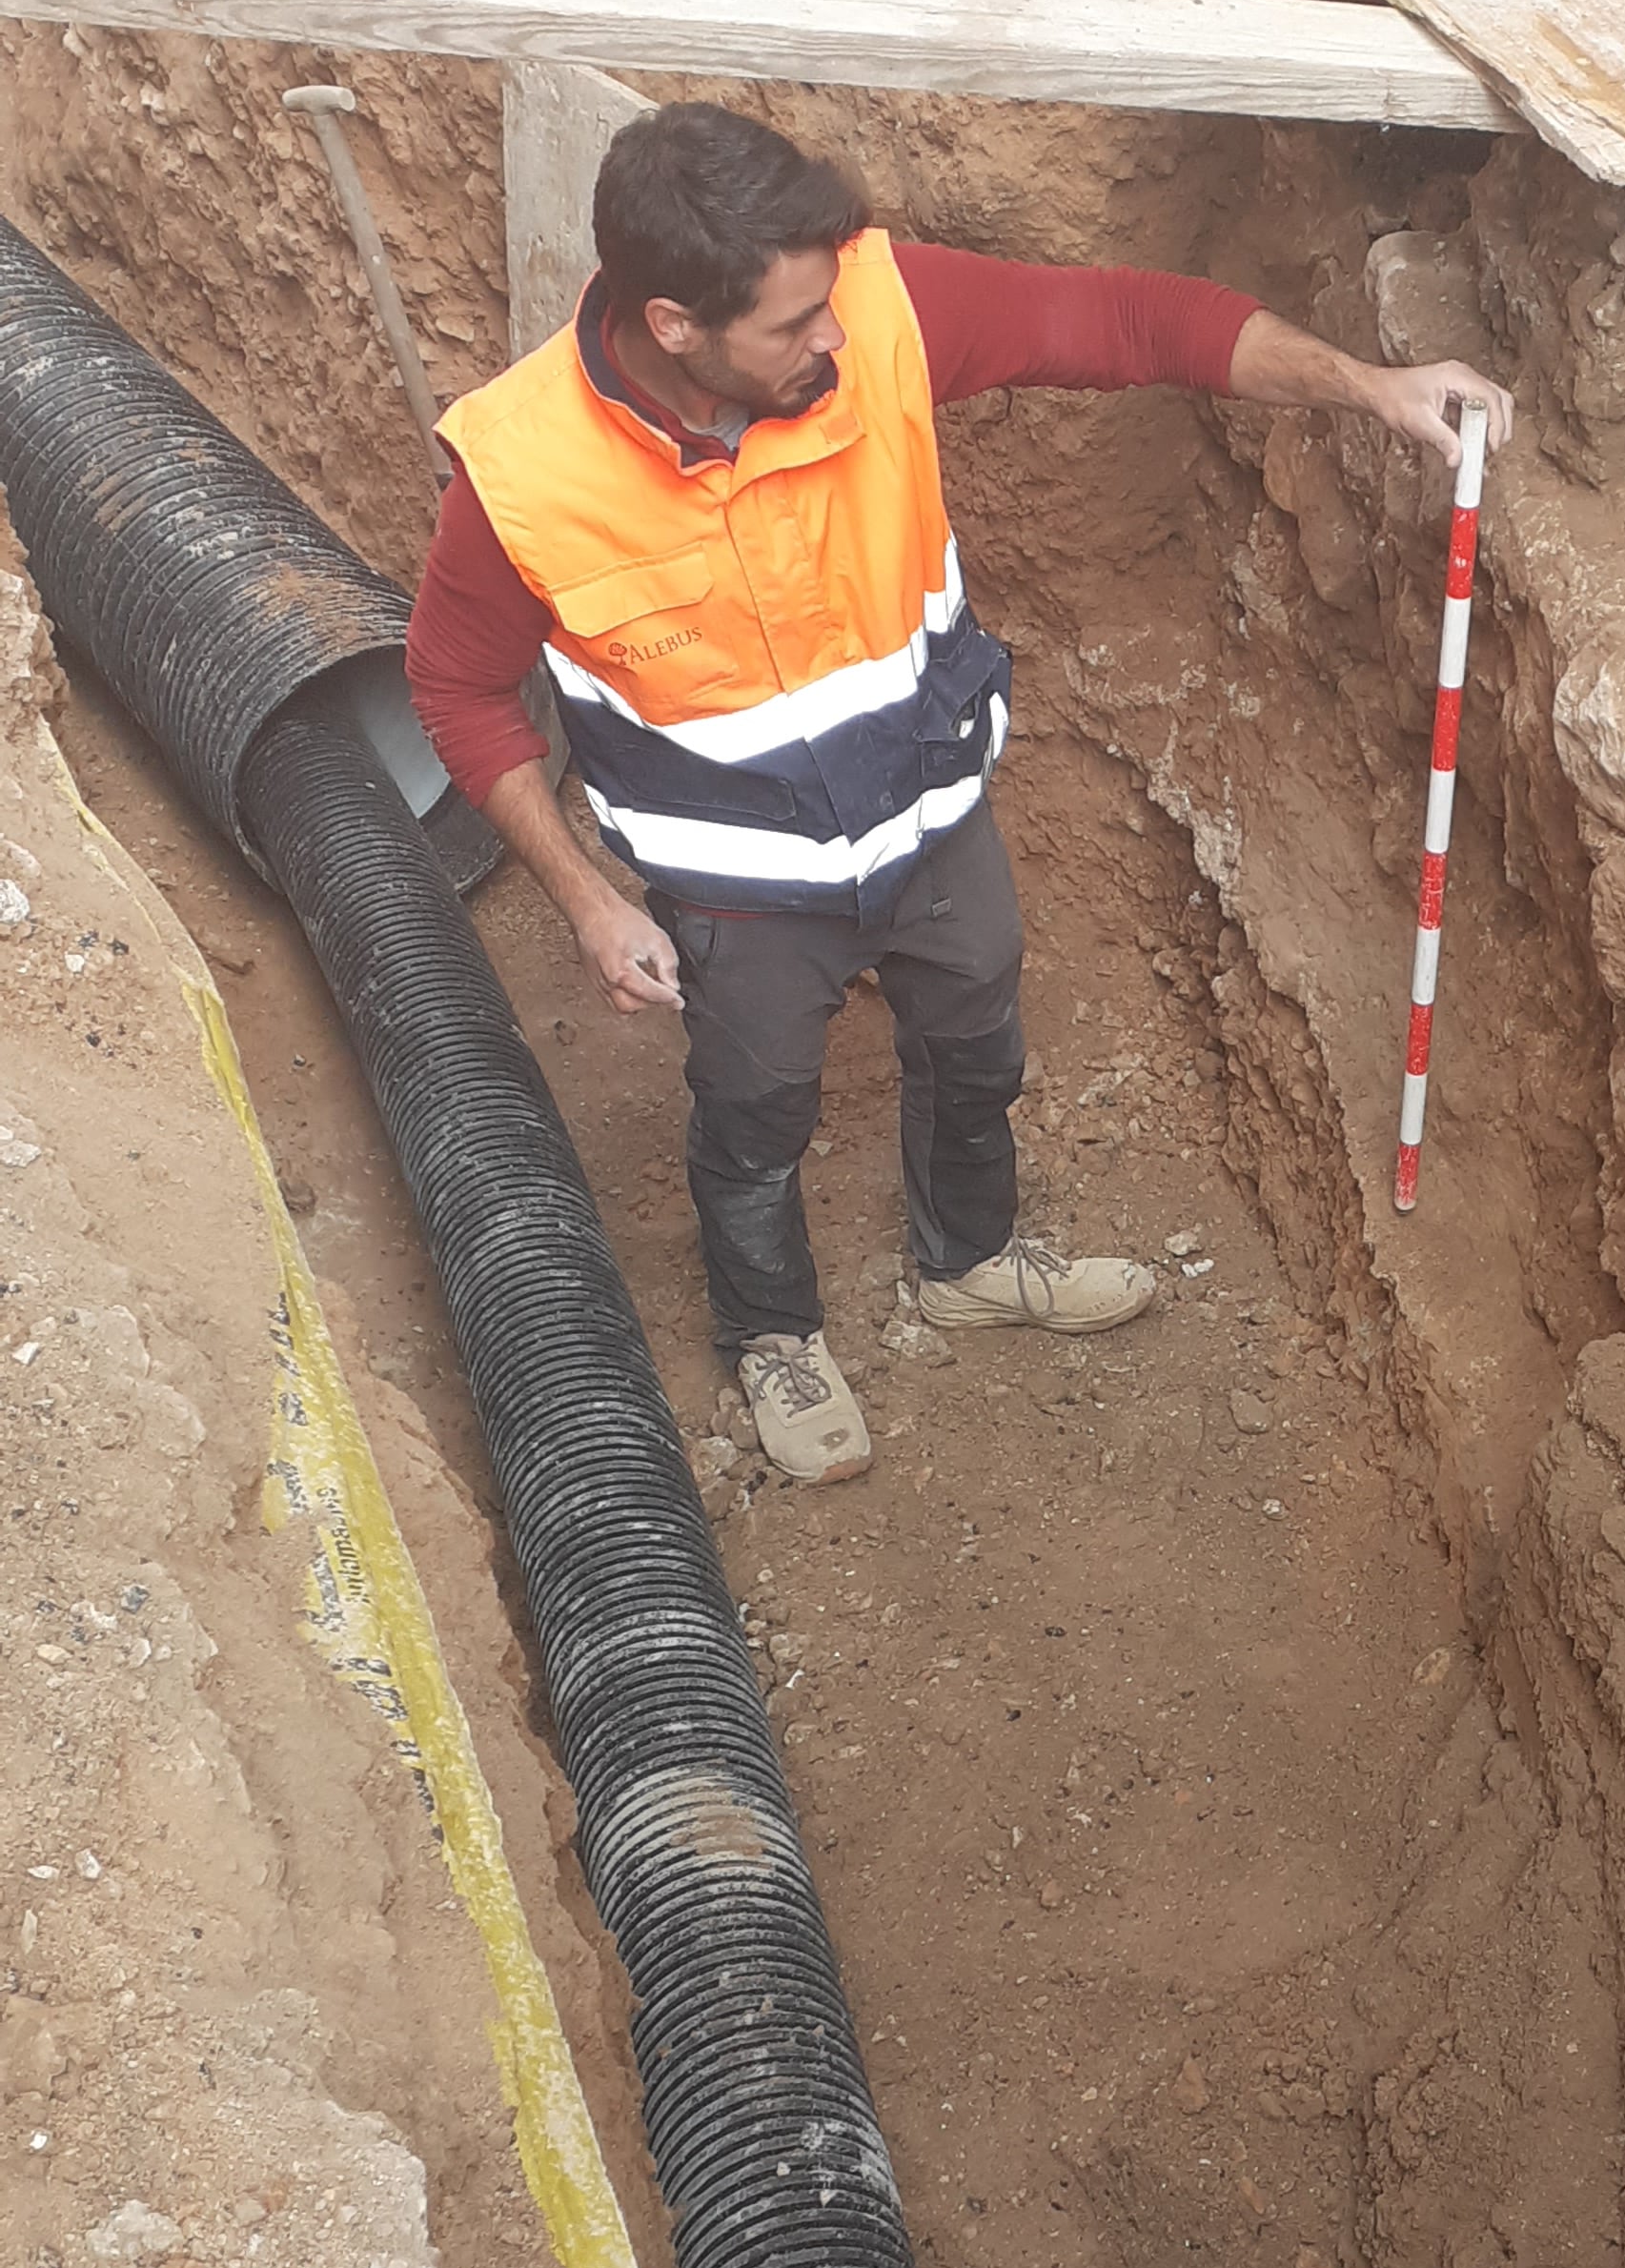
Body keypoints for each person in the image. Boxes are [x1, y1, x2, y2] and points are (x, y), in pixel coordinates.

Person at [407, 100, 1510, 1485]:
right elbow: (455, 691)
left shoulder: (877, 308)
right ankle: (774, 1334)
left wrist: (1369, 383)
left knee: (978, 1047)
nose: (834, 343)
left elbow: (1126, 322)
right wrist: (579, 896)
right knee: (755, 1111)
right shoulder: (526, 479)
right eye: (794, 327)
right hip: (743, 895)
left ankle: (968, 1264)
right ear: (676, 325)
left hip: (932, 823)